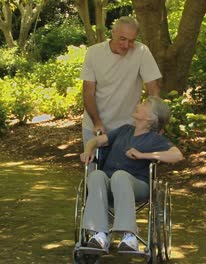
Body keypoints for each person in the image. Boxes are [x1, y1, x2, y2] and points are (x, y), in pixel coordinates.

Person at [79, 96, 184, 253]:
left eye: (144, 104)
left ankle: (129, 236)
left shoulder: (154, 139)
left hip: (138, 186)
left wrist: (143, 155)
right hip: (108, 183)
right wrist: (88, 151)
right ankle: (99, 234)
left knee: (120, 175)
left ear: (151, 117)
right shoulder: (124, 130)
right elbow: (94, 141)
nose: (138, 105)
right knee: (96, 175)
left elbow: (177, 156)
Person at [80, 16, 162, 149]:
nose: (126, 45)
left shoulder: (141, 52)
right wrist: (97, 122)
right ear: (113, 33)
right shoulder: (94, 53)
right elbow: (88, 92)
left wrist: (155, 122)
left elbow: (154, 90)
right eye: (122, 39)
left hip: (128, 128)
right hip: (95, 126)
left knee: (124, 169)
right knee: (94, 169)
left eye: (131, 41)